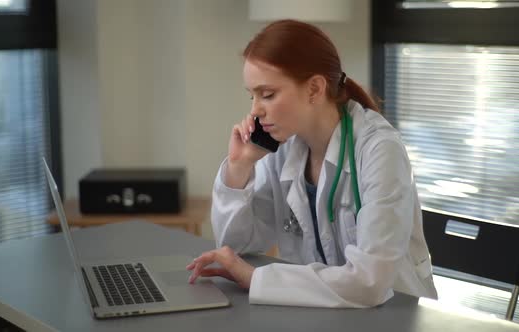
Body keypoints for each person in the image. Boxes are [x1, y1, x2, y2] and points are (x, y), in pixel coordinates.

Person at [186, 19, 438, 307]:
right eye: (252, 95)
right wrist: (239, 165)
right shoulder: (282, 148)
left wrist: (255, 279)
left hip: (390, 316)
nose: (255, 111)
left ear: (315, 89)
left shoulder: (380, 150)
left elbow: (369, 282)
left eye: (267, 94)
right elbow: (238, 247)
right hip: (319, 313)